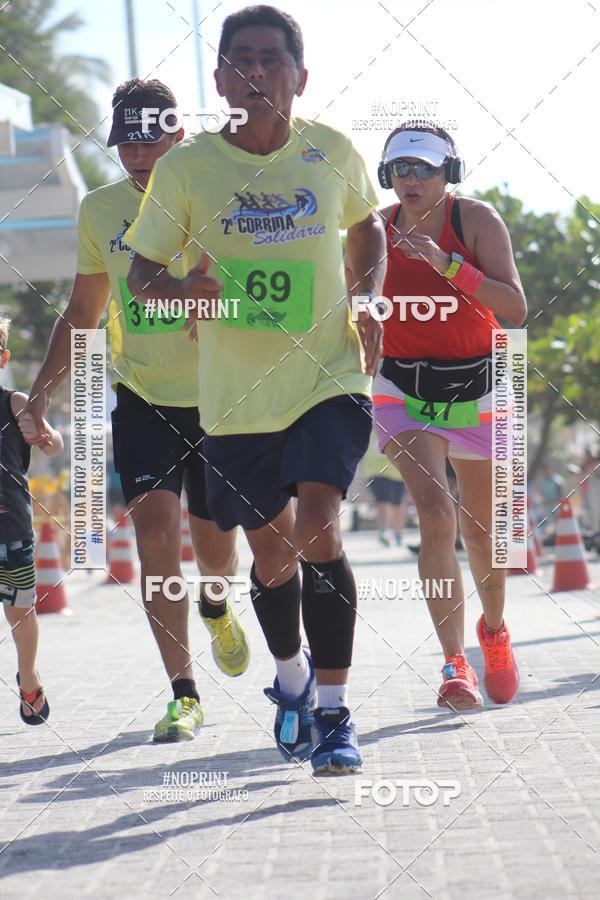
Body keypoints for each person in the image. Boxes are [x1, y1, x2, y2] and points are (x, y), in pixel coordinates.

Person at [127, 6, 385, 774]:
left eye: (272, 60)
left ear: (299, 77)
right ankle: (293, 679)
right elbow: (142, 276)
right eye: (241, 60)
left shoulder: (331, 151)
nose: (257, 72)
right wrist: (186, 294)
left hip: (327, 376)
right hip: (235, 398)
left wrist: (368, 297)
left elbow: (366, 228)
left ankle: (336, 715)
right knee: (271, 554)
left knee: (318, 528)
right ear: (219, 79)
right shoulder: (186, 169)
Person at [24, 79, 250, 743]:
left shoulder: (215, 198)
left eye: (151, 137)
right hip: (144, 400)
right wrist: (39, 396)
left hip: (219, 397)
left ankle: (216, 601)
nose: (138, 152)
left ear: (179, 136)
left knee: (216, 551)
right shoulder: (98, 211)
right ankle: (183, 693)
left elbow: (261, 291)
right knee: (155, 541)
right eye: (126, 140)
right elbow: (84, 313)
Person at [365, 123, 526, 710]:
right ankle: (455, 664)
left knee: (483, 534)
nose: (411, 180)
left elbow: (514, 307)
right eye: (400, 169)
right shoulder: (373, 231)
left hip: (479, 385)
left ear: (448, 173)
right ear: (387, 175)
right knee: (435, 518)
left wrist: (447, 265)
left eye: (424, 168)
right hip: (401, 389)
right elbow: (354, 302)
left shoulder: (475, 221)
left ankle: (494, 632)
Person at [0, 317, 64, 723]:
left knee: (20, 611)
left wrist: (42, 433)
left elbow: (55, 445)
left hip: (12, 528)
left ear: (3, 357)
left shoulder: (15, 402)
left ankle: (28, 676)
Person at [361, 432, 406, 546]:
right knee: (383, 500)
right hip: (376, 471)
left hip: (398, 471)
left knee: (398, 503)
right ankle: (384, 531)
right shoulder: (369, 422)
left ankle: (398, 532)